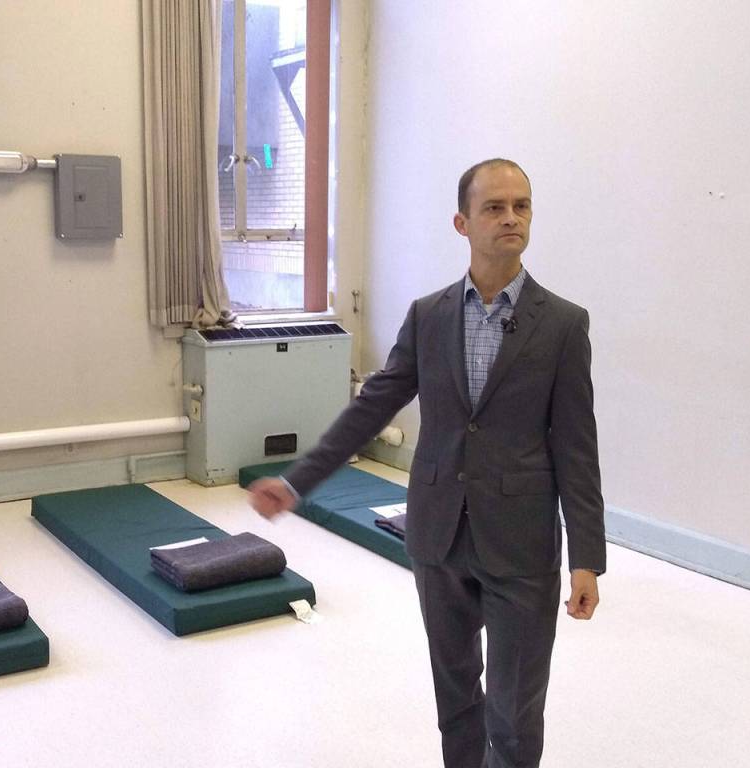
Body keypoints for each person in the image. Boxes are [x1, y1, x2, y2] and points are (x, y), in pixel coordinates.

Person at [248, 158, 605, 768]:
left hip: (521, 544)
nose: (511, 218)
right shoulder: (430, 316)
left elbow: (577, 445)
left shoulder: (564, 325)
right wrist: (296, 480)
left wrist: (586, 559)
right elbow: (372, 407)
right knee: (456, 696)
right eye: (494, 207)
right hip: (438, 535)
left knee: (514, 713)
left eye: (521, 206)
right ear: (462, 222)